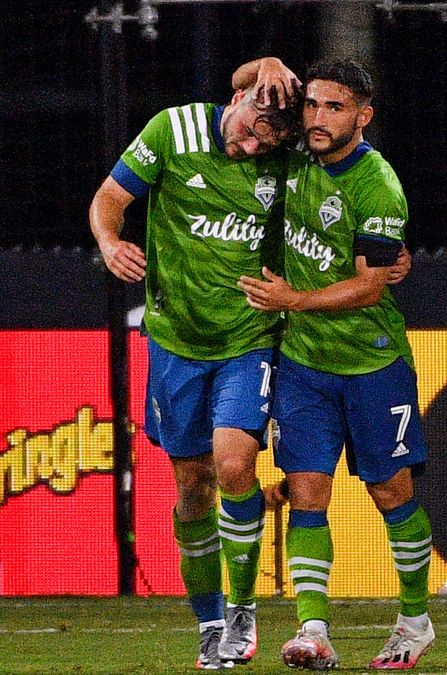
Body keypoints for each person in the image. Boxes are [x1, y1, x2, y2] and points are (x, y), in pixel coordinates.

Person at [88, 72, 301, 669]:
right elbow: (110, 198)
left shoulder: (280, 161)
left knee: (235, 464)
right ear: (238, 99)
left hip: (247, 338)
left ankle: (241, 609)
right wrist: (110, 242)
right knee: (192, 488)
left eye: (268, 144)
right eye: (254, 132)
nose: (254, 148)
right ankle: (209, 619)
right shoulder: (173, 128)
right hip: (175, 342)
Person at [236, 59, 430, 670]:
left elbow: (372, 287)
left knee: (391, 492)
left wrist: (294, 299)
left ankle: (415, 621)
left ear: (363, 116)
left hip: (373, 363)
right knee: (305, 490)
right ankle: (313, 630)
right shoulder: (295, 152)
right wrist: (264, 64)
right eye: (312, 105)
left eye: (334, 108)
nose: (317, 118)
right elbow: (240, 89)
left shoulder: (378, 185)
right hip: (303, 363)